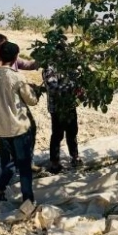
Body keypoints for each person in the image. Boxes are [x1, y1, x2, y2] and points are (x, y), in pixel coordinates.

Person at [0, 41, 40, 209]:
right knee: (23, 165)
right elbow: (31, 101)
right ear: (16, 57)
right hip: (19, 127)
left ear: (0, 56)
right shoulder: (17, 77)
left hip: (1, 129)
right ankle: (28, 199)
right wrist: (35, 91)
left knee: (13, 162)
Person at [0, 33, 41, 170]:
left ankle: (26, 162)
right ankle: (8, 168)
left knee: (30, 129)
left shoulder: (11, 58)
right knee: (5, 138)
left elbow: (29, 65)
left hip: (17, 105)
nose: (5, 48)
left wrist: (43, 59)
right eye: (2, 46)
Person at [42, 40, 83, 174]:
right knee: (57, 135)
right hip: (58, 108)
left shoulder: (69, 67)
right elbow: (52, 87)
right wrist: (73, 87)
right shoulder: (49, 68)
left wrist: (80, 89)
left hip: (70, 106)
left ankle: (75, 157)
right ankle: (54, 162)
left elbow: (78, 82)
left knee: (72, 133)